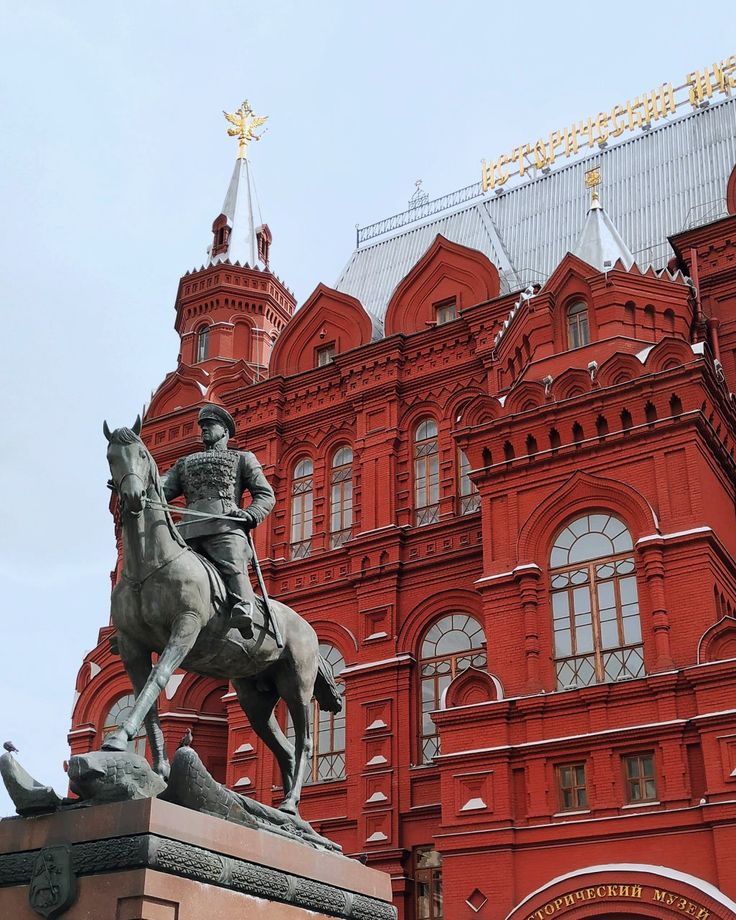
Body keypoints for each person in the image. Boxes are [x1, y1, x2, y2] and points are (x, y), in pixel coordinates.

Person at [161, 403, 275, 638]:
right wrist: (136, 482)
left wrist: (251, 514)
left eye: (209, 425)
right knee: (163, 569)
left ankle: (244, 607)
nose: (203, 429)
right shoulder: (185, 463)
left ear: (224, 430)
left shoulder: (243, 458)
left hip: (224, 526)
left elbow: (265, 495)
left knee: (232, 563)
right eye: (202, 425)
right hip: (188, 531)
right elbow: (162, 488)